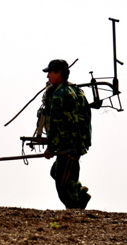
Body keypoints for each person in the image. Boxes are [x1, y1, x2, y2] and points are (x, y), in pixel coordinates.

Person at [41, 59, 92, 209]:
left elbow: (56, 125)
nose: (47, 76)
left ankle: (77, 213)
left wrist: (50, 148)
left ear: (59, 73)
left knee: (63, 188)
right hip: (78, 144)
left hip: (68, 147)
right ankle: (81, 194)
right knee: (57, 172)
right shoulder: (77, 91)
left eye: (50, 72)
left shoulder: (59, 95)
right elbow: (87, 117)